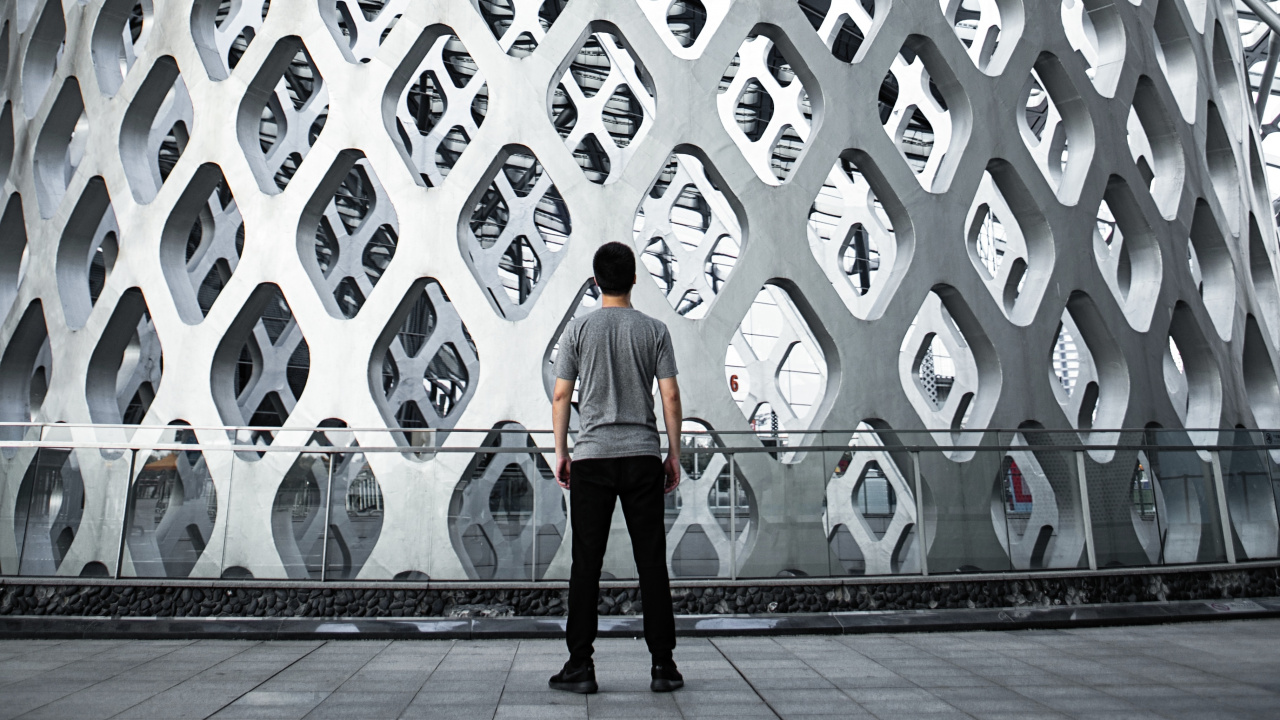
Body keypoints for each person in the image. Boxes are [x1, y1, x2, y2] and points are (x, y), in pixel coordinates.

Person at [548, 241, 684, 695]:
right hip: (642, 456)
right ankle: (663, 665)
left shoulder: (578, 330)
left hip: (592, 458)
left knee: (586, 563)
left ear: (595, 281)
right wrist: (673, 453)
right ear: (633, 280)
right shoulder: (654, 330)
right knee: (652, 562)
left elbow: (561, 395)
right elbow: (669, 395)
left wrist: (562, 451)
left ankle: (580, 666)